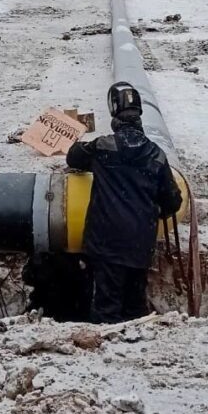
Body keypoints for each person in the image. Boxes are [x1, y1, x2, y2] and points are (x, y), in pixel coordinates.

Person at [65, 83, 183, 324]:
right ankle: (133, 354)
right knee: (133, 308)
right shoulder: (156, 154)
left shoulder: (104, 147)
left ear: (114, 114)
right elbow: (172, 201)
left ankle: (105, 353)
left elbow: (73, 156)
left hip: (106, 242)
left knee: (106, 307)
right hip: (139, 245)